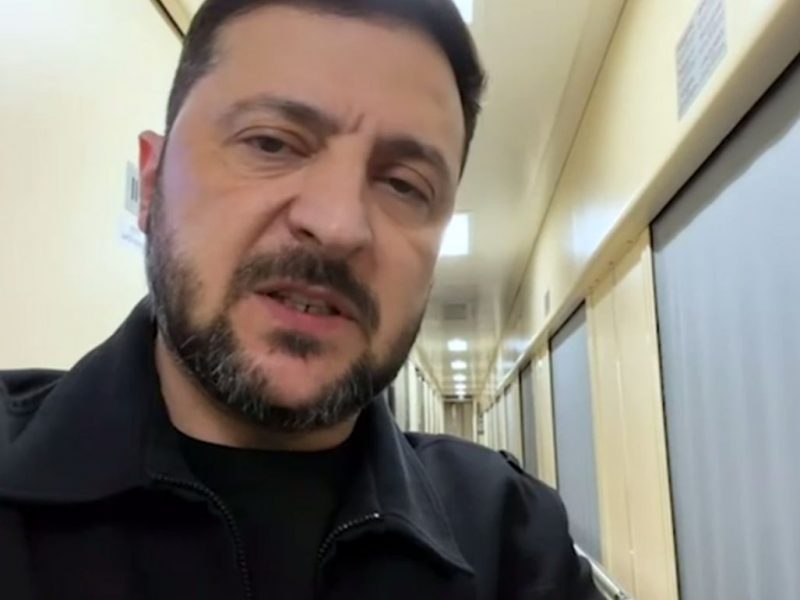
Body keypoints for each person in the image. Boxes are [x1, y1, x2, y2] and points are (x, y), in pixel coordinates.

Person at [0, 1, 601, 598]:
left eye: (402, 184)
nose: (338, 225)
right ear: (152, 183)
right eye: (271, 144)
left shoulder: (511, 541)